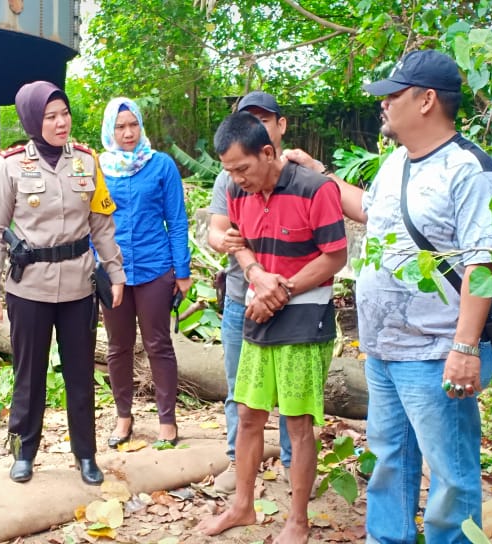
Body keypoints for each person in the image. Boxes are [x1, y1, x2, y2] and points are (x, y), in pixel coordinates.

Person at [332, 50, 492, 543]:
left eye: (393, 94)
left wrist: (464, 348)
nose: (383, 104)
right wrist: (319, 176)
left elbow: (482, 263)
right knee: (389, 461)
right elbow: (371, 211)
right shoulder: (396, 163)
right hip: (384, 351)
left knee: (450, 475)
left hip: (435, 353)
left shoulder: (471, 170)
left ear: (427, 100)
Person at [196, 112, 347, 543]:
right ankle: (242, 506)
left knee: (297, 423)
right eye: (229, 171)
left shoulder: (315, 188)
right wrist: (256, 274)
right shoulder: (236, 190)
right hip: (258, 310)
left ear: (267, 152)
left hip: (305, 317)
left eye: (242, 169)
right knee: (248, 415)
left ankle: (298, 520)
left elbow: (335, 256)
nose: (236, 179)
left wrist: (281, 289)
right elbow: (238, 242)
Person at [0, 81, 126, 486]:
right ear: (32, 121)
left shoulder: (86, 161)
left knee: (80, 376)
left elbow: (102, 225)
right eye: (50, 117)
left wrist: (115, 273)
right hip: (29, 289)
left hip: (79, 287)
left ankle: (86, 454)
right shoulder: (11, 165)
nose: (61, 123)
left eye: (65, 114)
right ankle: (23, 453)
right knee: (29, 377)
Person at [206, 91, 297, 492]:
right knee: (239, 387)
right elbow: (219, 231)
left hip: (293, 300)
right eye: (248, 119)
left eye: (264, 119)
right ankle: (237, 461)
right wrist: (227, 244)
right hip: (241, 299)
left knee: (293, 393)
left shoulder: (301, 175)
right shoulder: (229, 179)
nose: (256, 127)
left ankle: (294, 463)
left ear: (280, 126)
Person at [97, 97, 192, 449]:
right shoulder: (98, 168)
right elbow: (93, 222)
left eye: (133, 124)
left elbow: (177, 220)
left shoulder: (161, 165)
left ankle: (167, 420)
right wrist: (95, 268)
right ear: (110, 130)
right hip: (114, 272)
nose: (128, 133)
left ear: (141, 125)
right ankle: (123, 417)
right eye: (120, 127)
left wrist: (182, 270)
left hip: (155, 267)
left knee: (158, 344)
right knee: (118, 347)